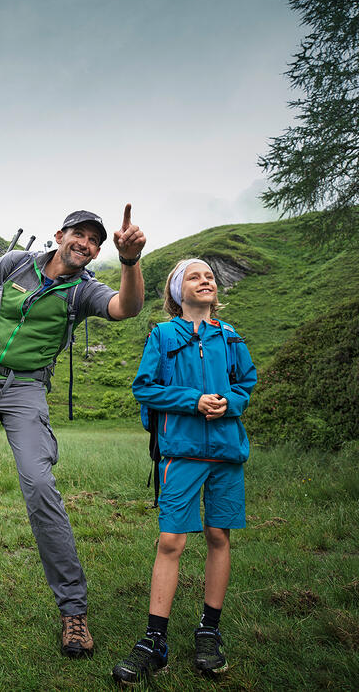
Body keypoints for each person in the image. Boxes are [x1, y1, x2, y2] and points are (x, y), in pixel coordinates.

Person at [0, 206, 147, 659]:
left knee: (40, 485)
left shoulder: (84, 290)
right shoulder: (13, 264)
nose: (86, 244)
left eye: (95, 241)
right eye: (80, 234)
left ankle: (73, 610)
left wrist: (129, 260)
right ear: (60, 235)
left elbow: (127, 308)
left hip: (26, 388)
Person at [110, 258, 257, 685]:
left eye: (209, 275)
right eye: (194, 276)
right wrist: (193, 401)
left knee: (218, 536)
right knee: (171, 541)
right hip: (181, 453)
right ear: (177, 291)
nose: (205, 280)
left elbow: (246, 383)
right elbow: (144, 388)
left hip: (226, 453)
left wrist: (232, 402)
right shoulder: (162, 334)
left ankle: (209, 632)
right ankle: (155, 640)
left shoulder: (230, 336)